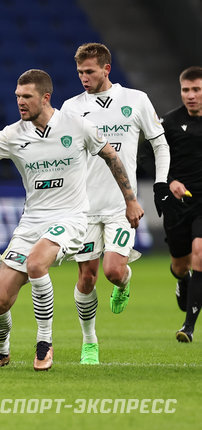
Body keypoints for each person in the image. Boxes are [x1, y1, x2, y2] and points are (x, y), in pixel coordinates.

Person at [0, 69, 142, 371]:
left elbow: (112, 156)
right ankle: (1, 352)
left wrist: (130, 200)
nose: (20, 102)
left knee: (37, 263)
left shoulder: (77, 125)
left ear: (46, 97)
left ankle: (44, 342)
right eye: (18, 96)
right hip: (31, 222)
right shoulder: (13, 133)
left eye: (27, 97)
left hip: (71, 218)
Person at [59, 43, 170, 364]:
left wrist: (160, 182)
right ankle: (89, 341)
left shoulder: (135, 101)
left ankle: (125, 282)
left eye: (89, 71)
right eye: (79, 72)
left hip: (123, 206)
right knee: (86, 277)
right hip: (84, 208)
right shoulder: (71, 107)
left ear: (106, 69)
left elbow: (160, 145)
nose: (83, 77)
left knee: (113, 271)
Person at [159, 66, 202, 343]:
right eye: (186, 90)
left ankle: (188, 326)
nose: (191, 95)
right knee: (179, 264)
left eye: (196, 89)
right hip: (177, 204)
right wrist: (170, 181)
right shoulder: (170, 123)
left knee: (200, 252)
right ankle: (182, 281)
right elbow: (152, 158)